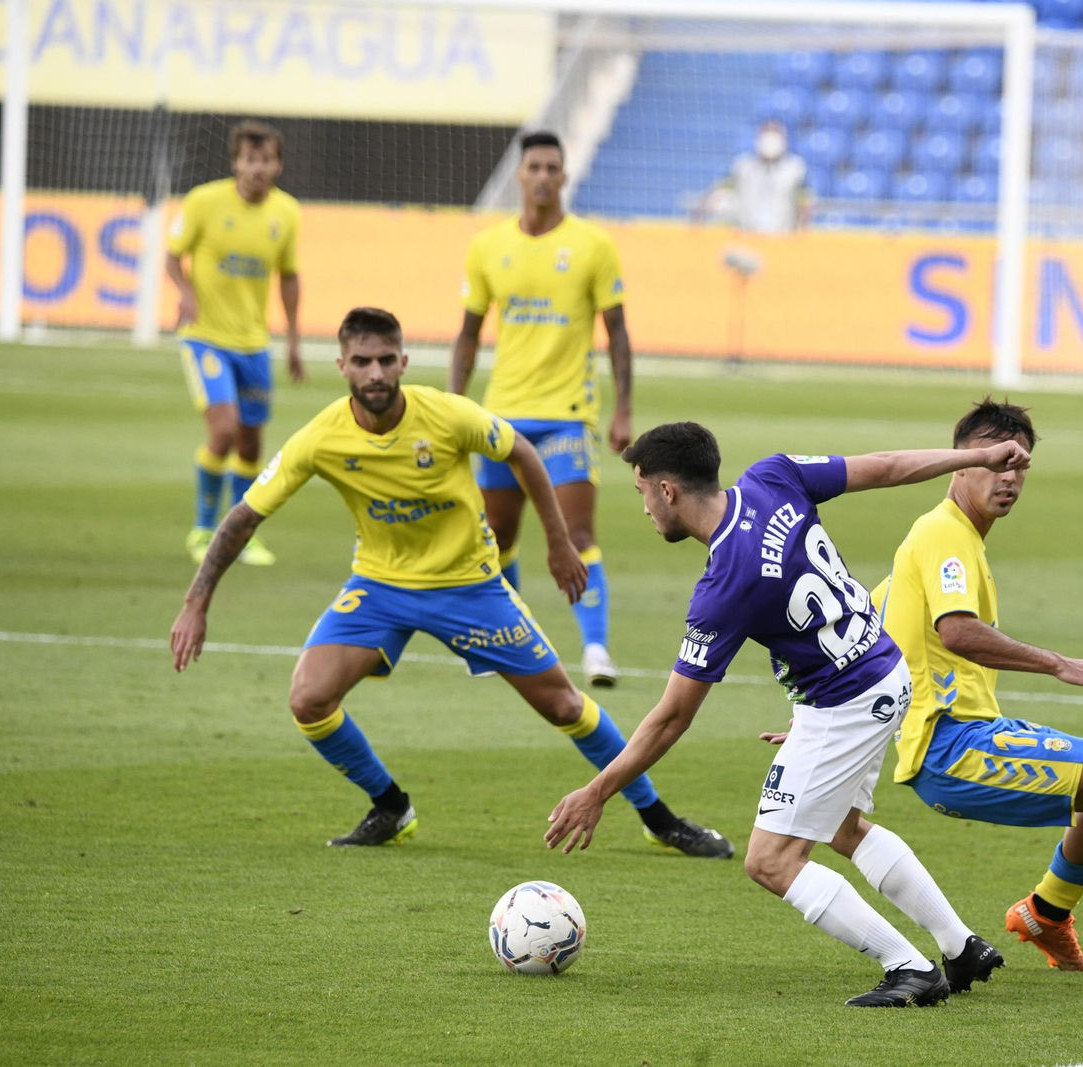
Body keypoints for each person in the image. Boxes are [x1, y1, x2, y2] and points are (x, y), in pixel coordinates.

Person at [170, 308, 731, 859]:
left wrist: (558, 543)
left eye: (387, 360)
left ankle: (660, 819)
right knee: (308, 699)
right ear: (340, 365)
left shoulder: (446, 415)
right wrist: (197, 602)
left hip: (470, 587)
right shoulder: (319, 439)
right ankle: (390, 806)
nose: (375, 373)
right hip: (380, 588)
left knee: (564, 706)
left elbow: (521, 452)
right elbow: (244, 516)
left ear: (404, 362)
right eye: (361, 361)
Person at [546, 423, 1030, 1007]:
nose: (645, 507)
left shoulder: (724, 585)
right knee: (843, 828)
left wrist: (598, 791)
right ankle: (960, 947)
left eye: (643, 491)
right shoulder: (772, 476)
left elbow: (673, 716)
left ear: (668, 491)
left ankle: (908, 967)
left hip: (845, 701)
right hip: (881, 669)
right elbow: (886, 465)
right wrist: (978, 455)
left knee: (771, 861)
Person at [872, 398, 1083, 994]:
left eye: (1020, 465)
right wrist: (1059, 664)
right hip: (953, 749)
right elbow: (957, 631)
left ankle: (1044, 916)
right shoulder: (944, 535)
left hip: (960, 740)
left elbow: (872, 620)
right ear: (960, 463)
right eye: (996, 462)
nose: (1009, 478)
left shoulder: (947, 538)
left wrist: (819, 719)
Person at [451, 131, 628, 689]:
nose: (544, 176)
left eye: (554, 166)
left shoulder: (594, 246)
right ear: (520, 176)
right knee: (497, 535)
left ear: (565, 175)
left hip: (567, 415)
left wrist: (623, 409)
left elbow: (618, 332)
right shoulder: (487, 247)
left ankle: (595, 648)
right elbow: (467, 335)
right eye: (535, 167)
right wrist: (457, 408)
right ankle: (510, 639)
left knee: (577, 533)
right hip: (501, 416)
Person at [167, 119, 304, 568]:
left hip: (254, 344)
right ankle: (204, 529)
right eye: (249, 159)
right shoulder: (205, 202)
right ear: (235, 162)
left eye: (265, 160)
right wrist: (185, 291)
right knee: (223, 431)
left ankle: (239, 534)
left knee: (249, 445)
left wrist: (294, 340)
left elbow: (289, 276)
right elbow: (172, 255)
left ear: (278, 164)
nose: (257, 169)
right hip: (206, 338)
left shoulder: (286, 214)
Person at [725, 120, 808, 234]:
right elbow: (722, 194)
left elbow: (805, 203)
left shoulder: (796, 168)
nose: (770, 140)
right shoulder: (742, 166)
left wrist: (799, 231)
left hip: (783, 237)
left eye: (775, 134)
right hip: (746, 236)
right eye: (766, 134)